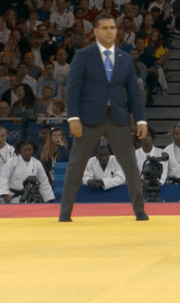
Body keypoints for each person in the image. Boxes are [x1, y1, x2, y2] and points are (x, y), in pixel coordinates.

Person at [59, 13, 149, 222]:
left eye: (113, 28)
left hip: (117, 118)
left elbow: (134, 93)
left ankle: (140, 212)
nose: (110, 31)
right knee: (76, 166)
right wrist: (73, 117)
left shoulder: (125, 58)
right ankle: (65, 213)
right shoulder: (83, 55)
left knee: (130, 166)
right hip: (89, 119)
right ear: (96, 31)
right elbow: (72, 89)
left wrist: (141, 120)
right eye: (106, 28)